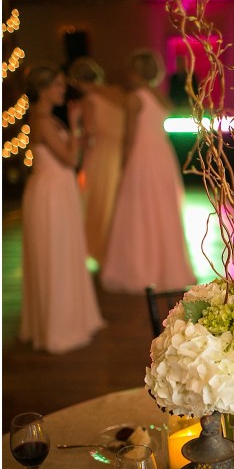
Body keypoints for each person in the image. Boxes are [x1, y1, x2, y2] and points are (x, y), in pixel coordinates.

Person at [19, 64, 105, 353]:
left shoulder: (46, 118)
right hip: (50, 196)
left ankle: (70, 318)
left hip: (59, 191)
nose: (62, 89)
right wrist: (76, 122)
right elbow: (70, 158)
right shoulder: (43, 119)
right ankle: (57, 327)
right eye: (56, 85)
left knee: (65, 253)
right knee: (54, 255)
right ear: (42, 89)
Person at [101, 49, 195, 293]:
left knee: (139, 211)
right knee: (162, 210)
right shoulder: (160, 97)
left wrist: (123, 163)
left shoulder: (135, 97)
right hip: (162, 156)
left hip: (142, 157)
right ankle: (167, 269)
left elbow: (129, 136)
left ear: (135, 72)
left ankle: (141, 269)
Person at [67, 56, 127, 265]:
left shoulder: (88, 100)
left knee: (98, 202)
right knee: (117, 201)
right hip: (121, 153)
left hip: (100, 154)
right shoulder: (118, 93)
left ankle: (101, 252)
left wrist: (75, 126)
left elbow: (90, 132)